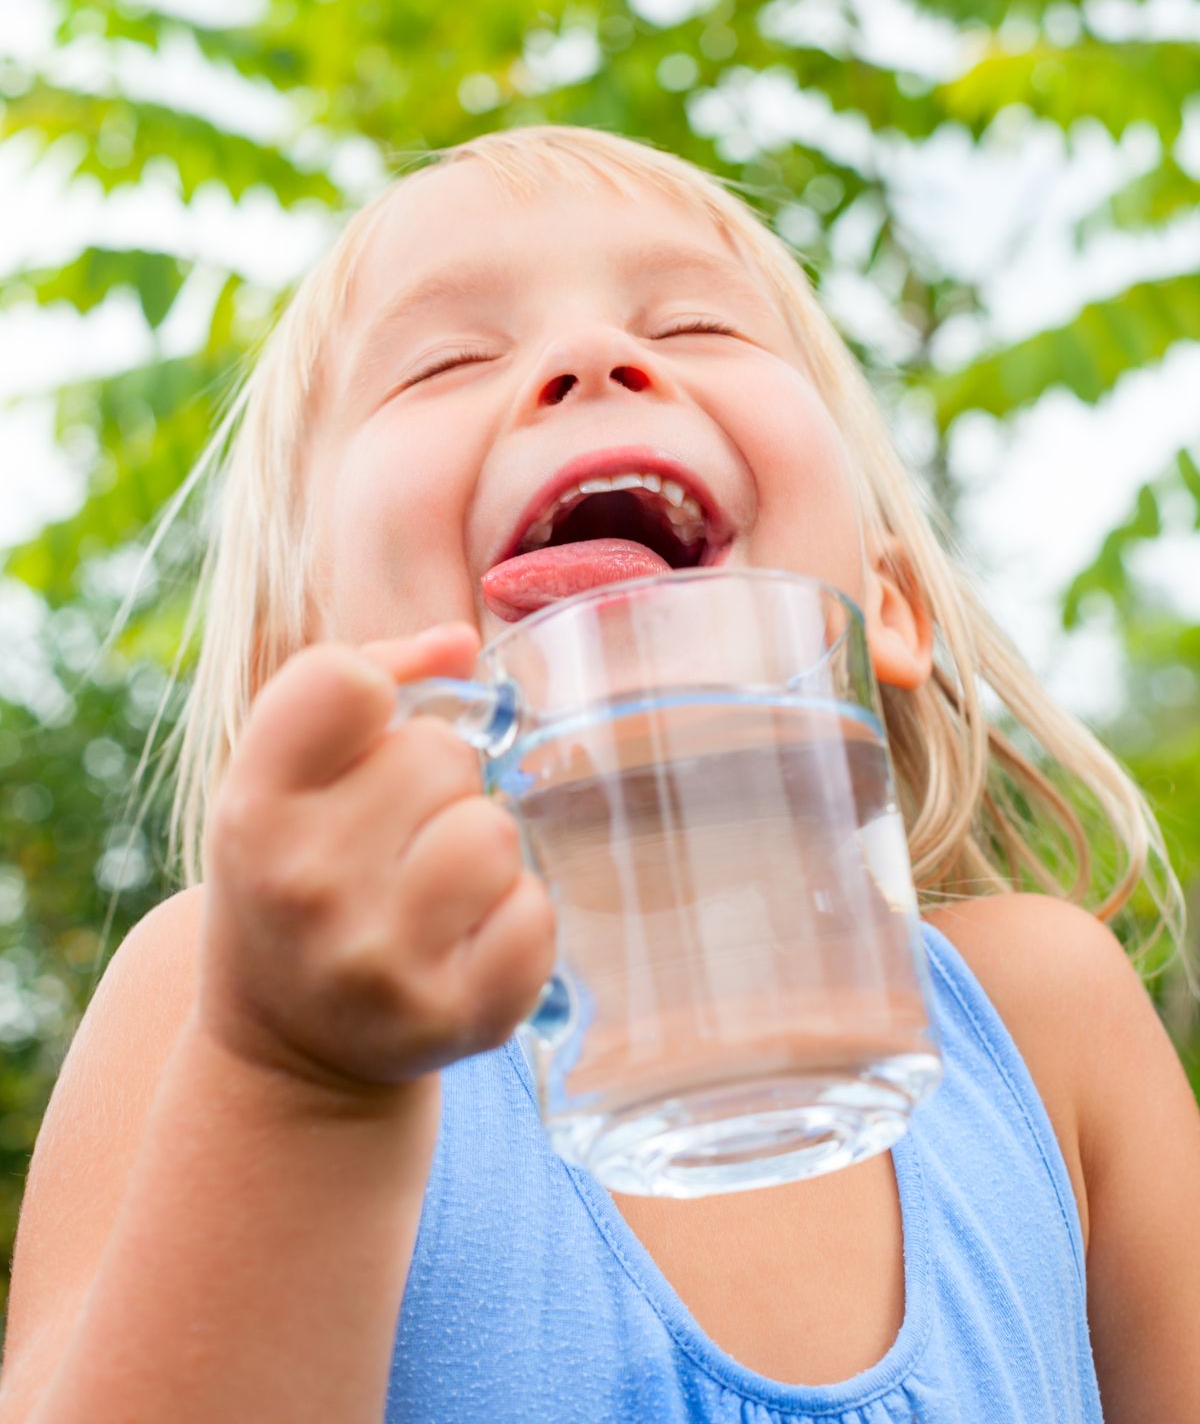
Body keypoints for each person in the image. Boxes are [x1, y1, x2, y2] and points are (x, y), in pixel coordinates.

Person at [1, 125, 1198, 1424]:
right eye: (449, 358)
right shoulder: (225, 1001)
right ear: (318, 665)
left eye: (694, 325)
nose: (588, 360)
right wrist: (300, 1083)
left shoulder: (1049, 1021)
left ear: (888, 600)